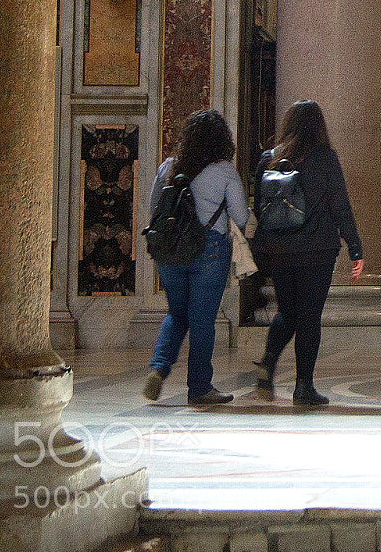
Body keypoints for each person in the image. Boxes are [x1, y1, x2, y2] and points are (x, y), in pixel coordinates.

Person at [251, 100, 364, 407]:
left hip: (280, 250)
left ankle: (268, 362)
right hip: (317, 249)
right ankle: (304, 387)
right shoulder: (325, 159)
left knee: (287, 312)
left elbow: (260, 208)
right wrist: (355, 248)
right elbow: (340, 205)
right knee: (309, 318)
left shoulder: (268, 159)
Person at [143, 109, 250, 406]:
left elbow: (155, 209)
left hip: (171, 251)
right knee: (203, 321)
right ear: (222, 140)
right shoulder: (225, 171)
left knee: (177, 314)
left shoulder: (168, 166)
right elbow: (240, 217)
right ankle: (200, 387)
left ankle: (158, 368)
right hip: (209, 251)